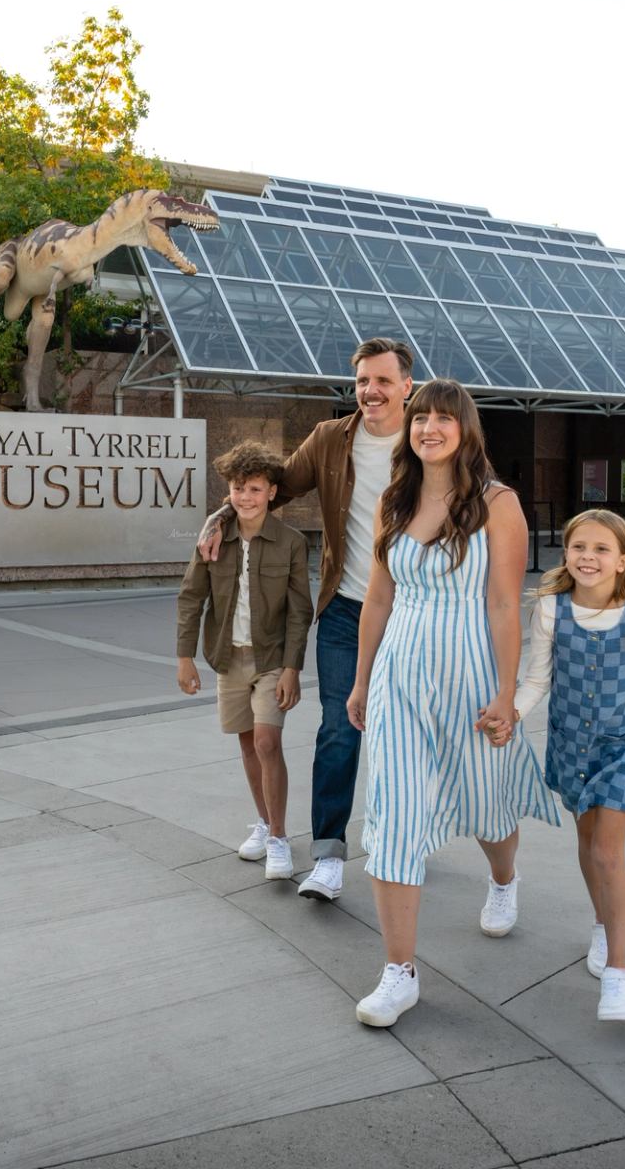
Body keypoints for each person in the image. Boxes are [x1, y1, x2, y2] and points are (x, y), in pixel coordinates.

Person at [346, 380, 555, 1028]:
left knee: (487, 804)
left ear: (466, 429)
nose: (429, 427)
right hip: (400, 678)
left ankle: (503, 879)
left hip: (470, 676)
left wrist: (506, 694)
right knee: (393, 818)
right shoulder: (394, 500)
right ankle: (399, 972)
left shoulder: (499, 504)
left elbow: (502, 604)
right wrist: (360, 681)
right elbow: (378, 599)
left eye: (443, 418)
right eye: (420, 418)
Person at [200, 337, 414, 904]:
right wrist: (222, 513)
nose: (371, 391)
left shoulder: (431, 435)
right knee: (339, 731)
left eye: (383, 381)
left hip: (416, 610)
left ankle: (406, 841)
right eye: (364, 380)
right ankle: (328, 854)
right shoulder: (329, 439)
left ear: (405, 386)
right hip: (346, 607)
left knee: (408, 737)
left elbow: (479, 499)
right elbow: (273, 486)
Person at [513, 508, 625, 1023]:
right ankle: (603, 925)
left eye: (602, 549)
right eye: (580, 546)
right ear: (566, 553)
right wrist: (511, 712)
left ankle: (619, 974)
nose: (589, 557)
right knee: (586, 846)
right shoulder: (549, 611)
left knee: (608, 853)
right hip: (571, 746)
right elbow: (537, 679)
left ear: (623, 561)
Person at [175, 441, 312, 881]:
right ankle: (263, 819)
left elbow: (299, 609)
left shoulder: (291, 542)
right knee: (247, 744)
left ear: (272, 492)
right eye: (238, 488)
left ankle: (278, 837)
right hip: (227, 659)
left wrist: (292, 667)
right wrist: (185, 657)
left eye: (254, 489)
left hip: (271, 657)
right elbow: (191, 597)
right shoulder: (213, 537)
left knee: (268, 743)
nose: (246, 497)